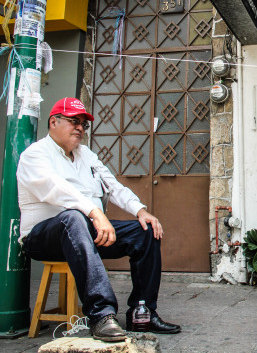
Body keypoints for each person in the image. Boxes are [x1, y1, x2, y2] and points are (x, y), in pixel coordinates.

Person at [17, 97, 181, 342]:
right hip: (43, 237)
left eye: (84, 124)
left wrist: (140, 210)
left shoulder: (85, 155)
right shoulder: (35, 155)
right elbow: (57, 188)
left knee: (144, 231)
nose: (80, 128)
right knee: (72, 217)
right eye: (74, 122)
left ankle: (142, 311)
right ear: (53, 122)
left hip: (86, 230)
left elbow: (111, 186)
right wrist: (95, 213)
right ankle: (101, 315)